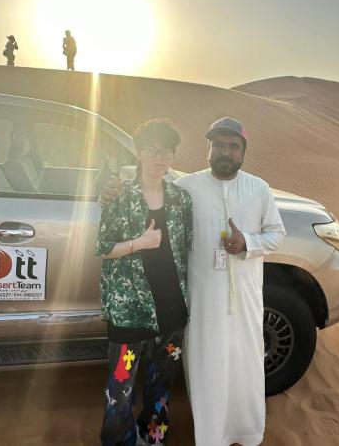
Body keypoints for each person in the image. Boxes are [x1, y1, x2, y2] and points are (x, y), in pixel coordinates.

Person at [177, 117, 286, 446]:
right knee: (206, 365)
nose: (226, 152)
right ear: (208, 149)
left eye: (233, 146)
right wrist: (110, 192)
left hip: (246, 300)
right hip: (204, 300)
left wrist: (248, 242)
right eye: (219, 145)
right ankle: (211, 436)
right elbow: (151, 202)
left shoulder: (258, 188)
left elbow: (276, 234)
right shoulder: (186, 188)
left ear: (243, 152)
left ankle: (247, 432)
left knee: (245, 364)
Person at [95, 118, 193, 446]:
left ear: (173, 155)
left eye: (166, 151)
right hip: (130, 311)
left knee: (162, 382)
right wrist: (139, 243)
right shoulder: (119, 196)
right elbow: (104, 248)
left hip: (171, 310)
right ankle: (119, 440)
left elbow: (189, 245)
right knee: (120, 386)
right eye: (152, 149)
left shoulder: (181, 199)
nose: (159, 157)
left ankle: (154, 437)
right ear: (138, 152)